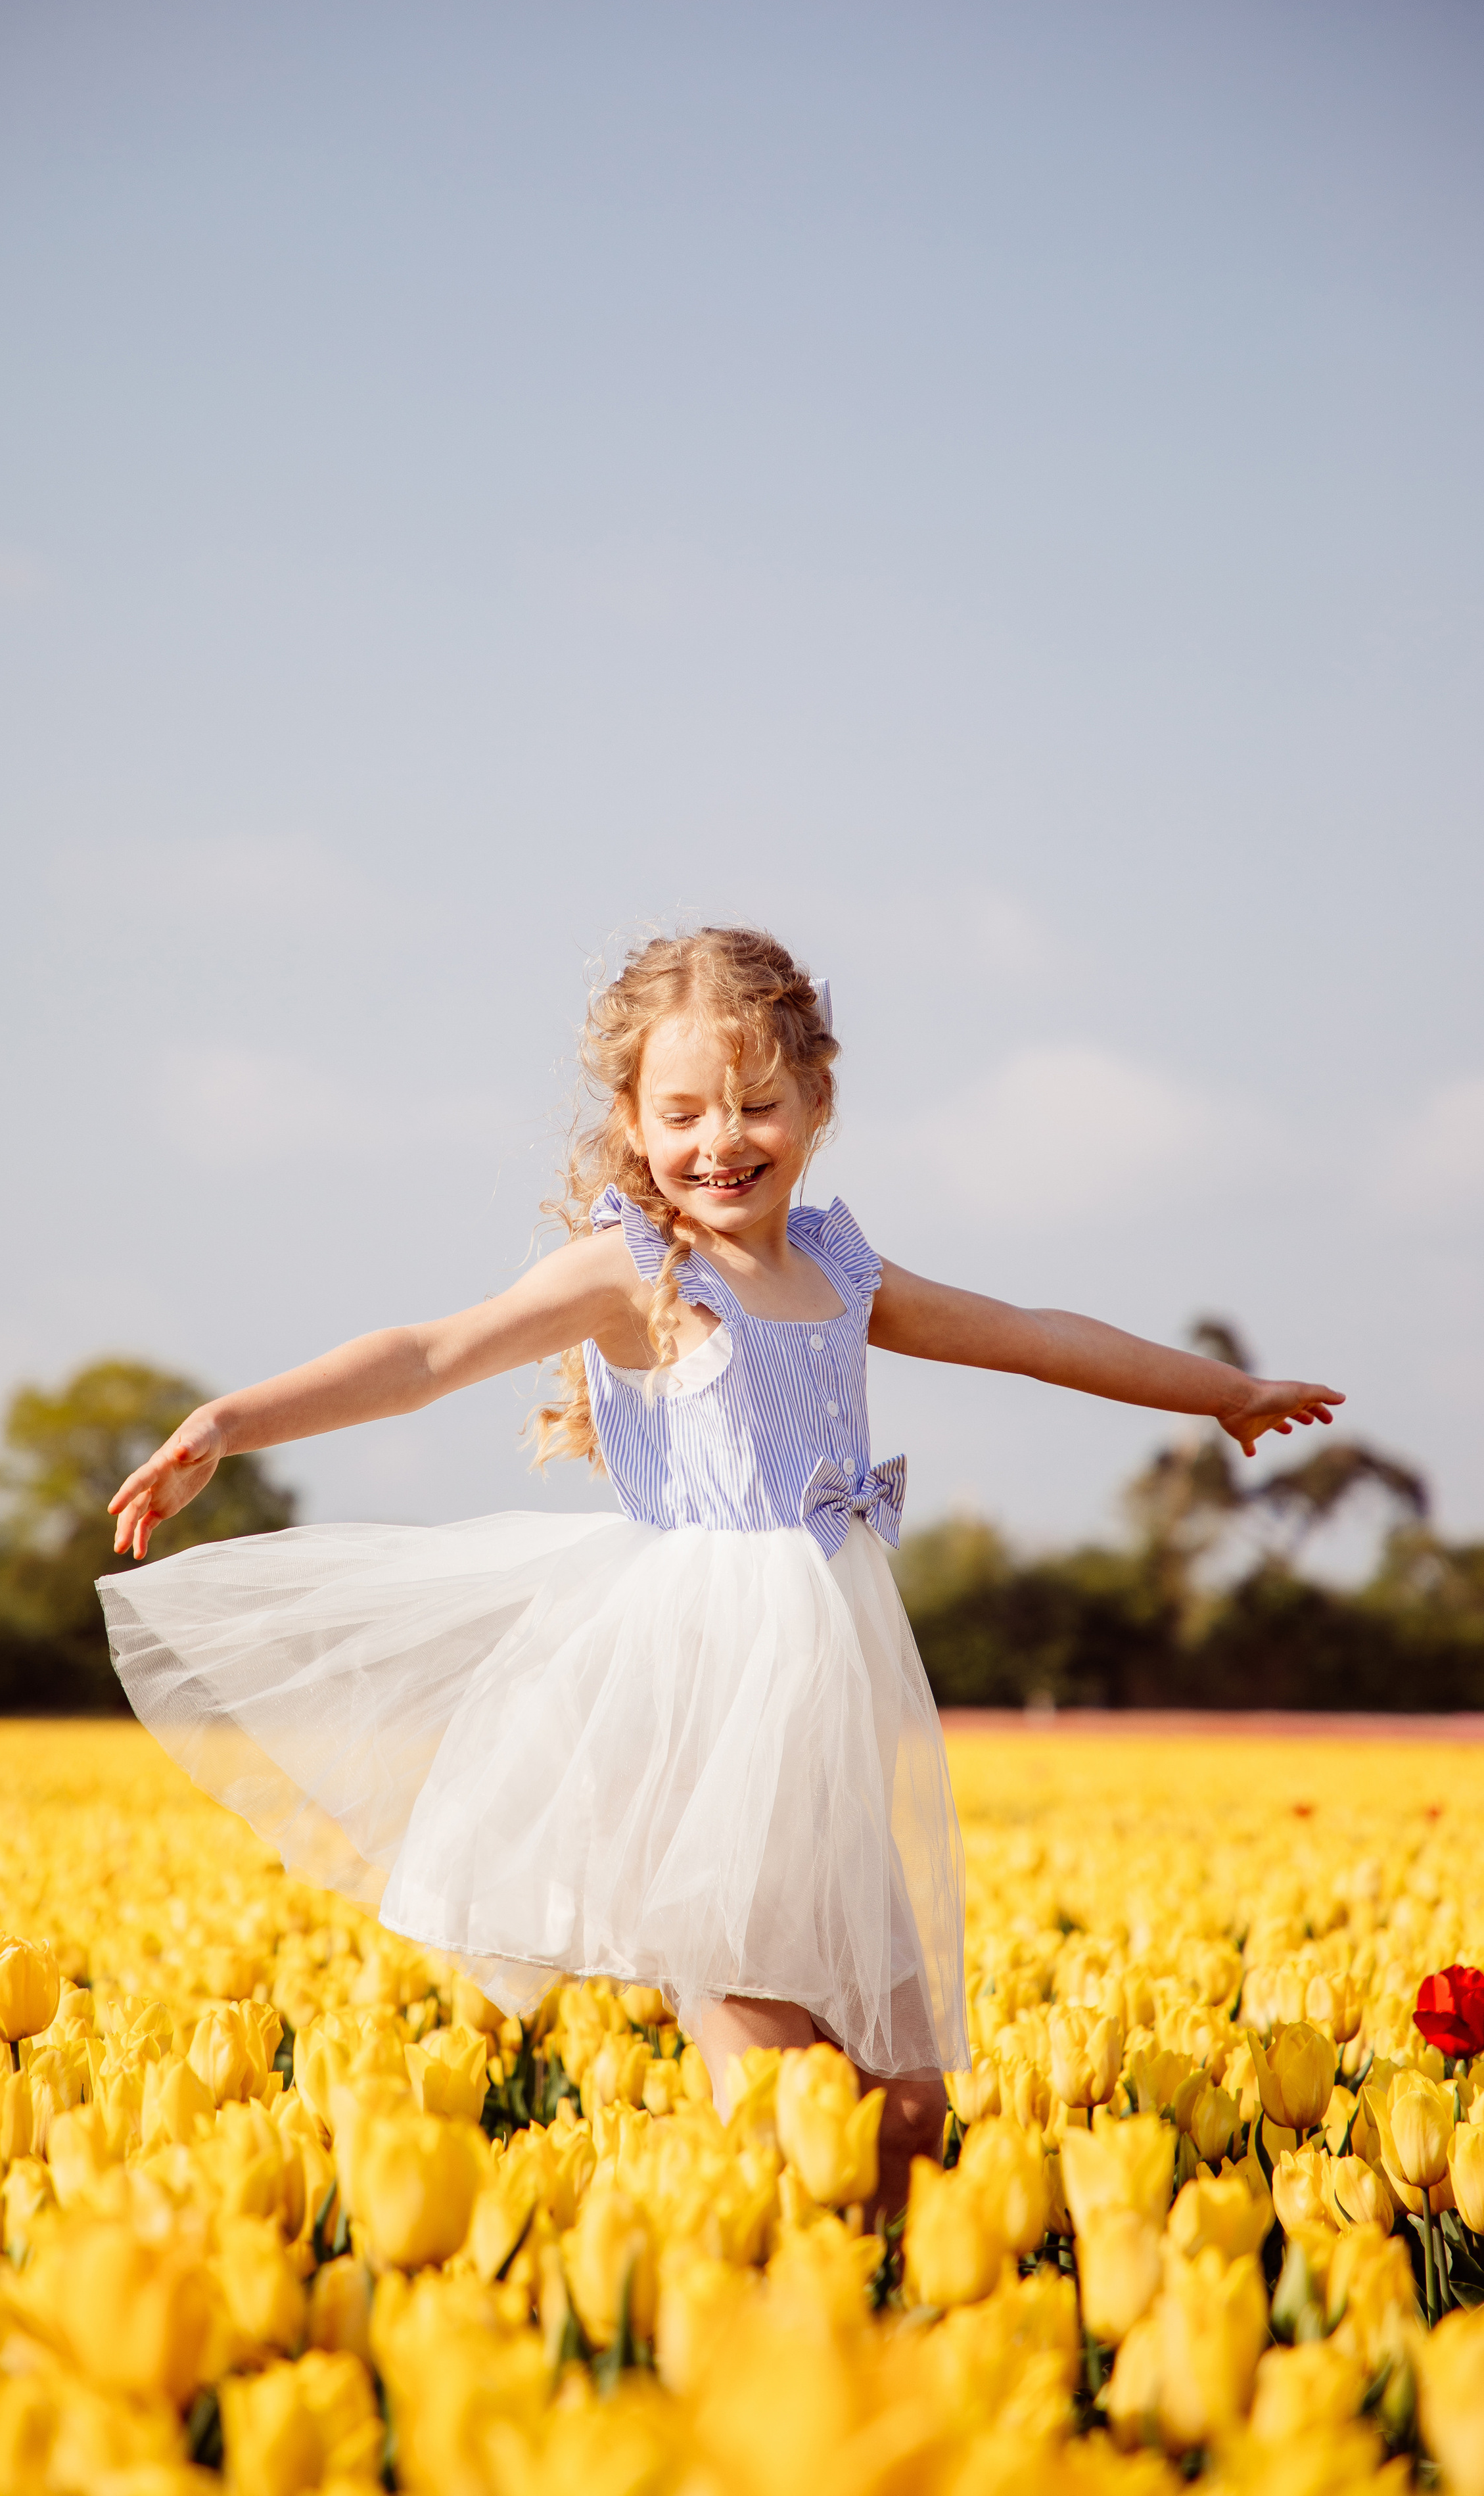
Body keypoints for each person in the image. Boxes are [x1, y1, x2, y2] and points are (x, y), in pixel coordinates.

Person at [100, 925, 1342, 2215]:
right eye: (681, 1111)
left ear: (815, 1103)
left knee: (907, 2109)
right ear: (631, 1124)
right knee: (777, 2079)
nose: (720, 1141)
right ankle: (778, 2312)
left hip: (831, 1686)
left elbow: (1026, 1335)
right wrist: (227, 1423)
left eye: (756, 1105)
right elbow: (427, 1352)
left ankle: (872, 2307)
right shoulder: (632, 1270)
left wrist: (1222, 1393)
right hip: (697, 1690)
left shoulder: (842, 1269)